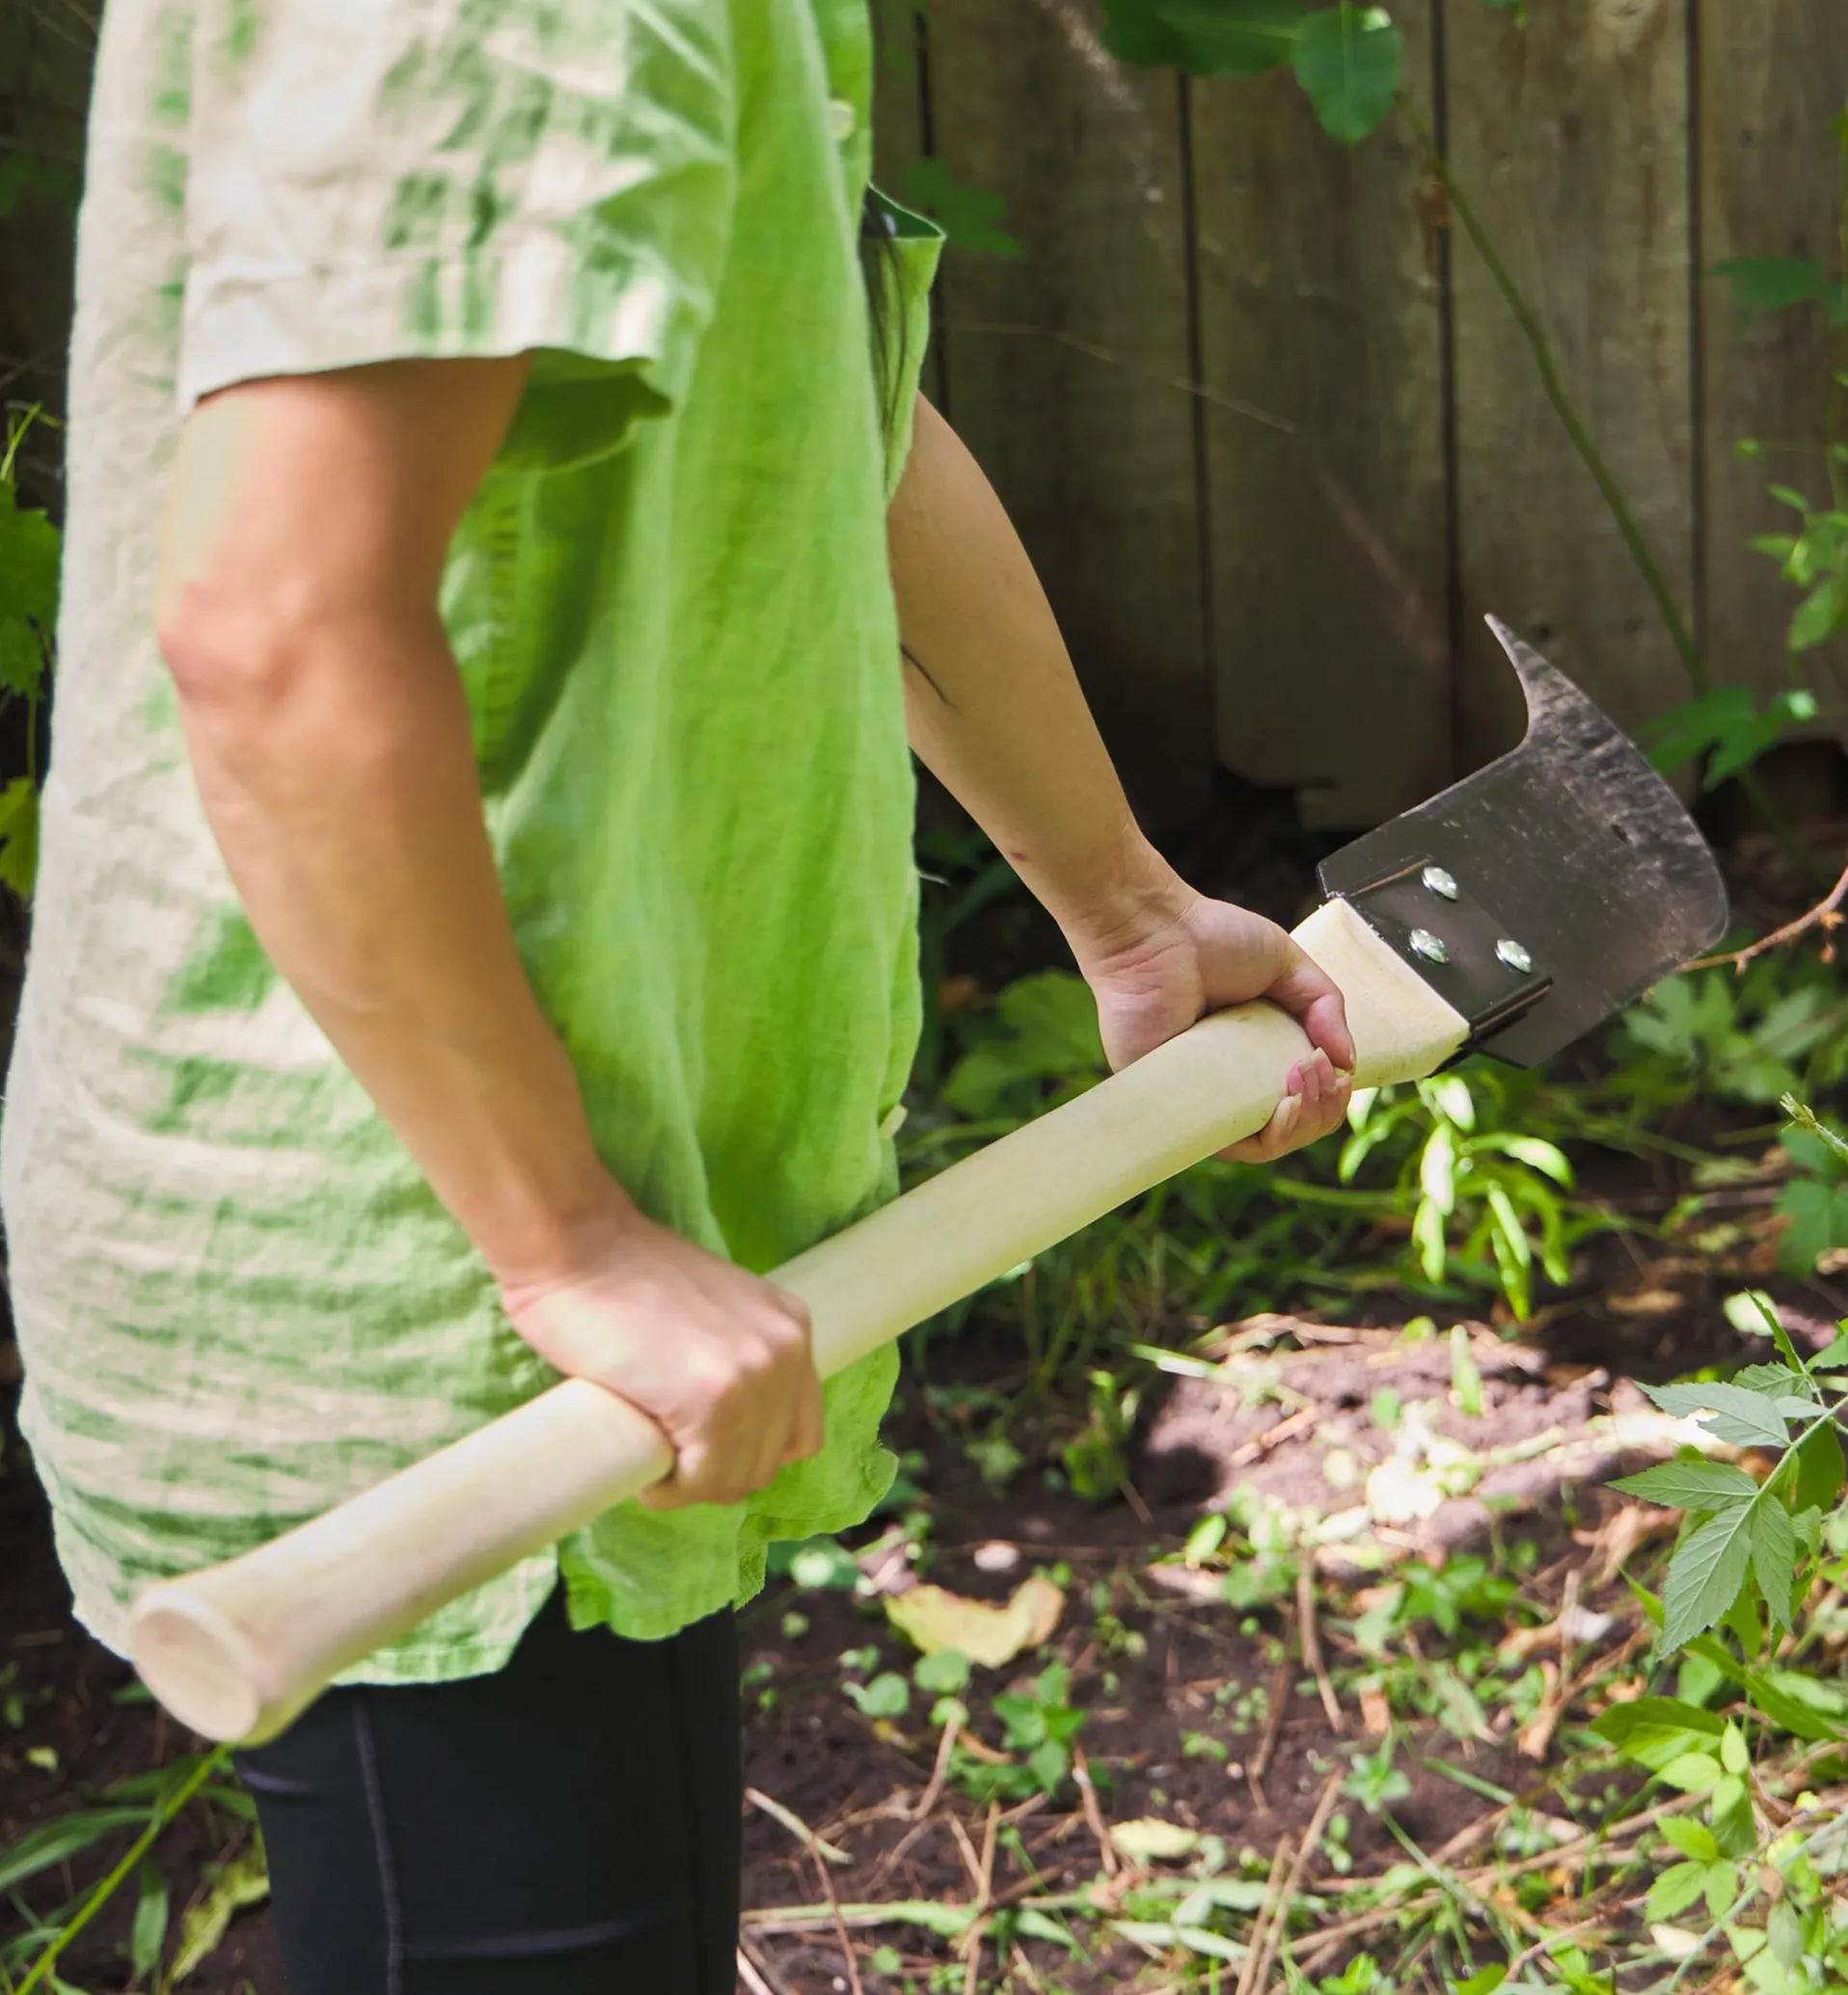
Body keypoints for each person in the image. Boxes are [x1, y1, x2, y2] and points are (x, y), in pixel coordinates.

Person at [2, 2, 1356, 1989]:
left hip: (574, 1222)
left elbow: (819, 406)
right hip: (433, 1285)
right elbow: (273, 626)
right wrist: (558, 1238)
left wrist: (1126, 902)